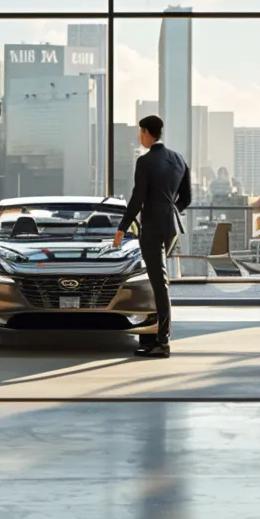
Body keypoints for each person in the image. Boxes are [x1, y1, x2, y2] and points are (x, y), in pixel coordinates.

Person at [113, 115, 192, 358]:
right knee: (159, 279)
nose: (140, 137)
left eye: (140, 133)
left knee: (159, 282)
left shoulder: (145, 161)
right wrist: (170, 212)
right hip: (171, 227)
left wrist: (122, 228)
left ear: (147, 132)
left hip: (153, 227)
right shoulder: (179, 160)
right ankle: (156, 336)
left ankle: (162, 342)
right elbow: (186, 198)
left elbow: (138, 198)